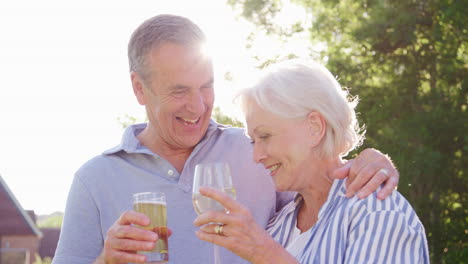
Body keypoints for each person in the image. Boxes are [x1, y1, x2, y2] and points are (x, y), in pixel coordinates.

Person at [53, 15, 400, 264]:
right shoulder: (94, 179)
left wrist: (370, 158)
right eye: (179, 91)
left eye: (206, 86)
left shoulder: (257, 152)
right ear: (139, 88)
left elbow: (326, 188)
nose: (198, 104)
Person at [193, 60, 429, 263]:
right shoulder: (281, 224)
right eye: (254, 141)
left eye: (265, 136)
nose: (257, 156)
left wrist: (267, 255)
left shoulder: (376, 214)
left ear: (314, 128)